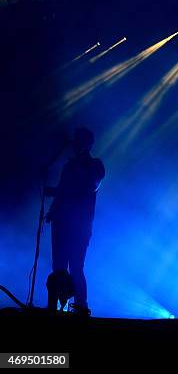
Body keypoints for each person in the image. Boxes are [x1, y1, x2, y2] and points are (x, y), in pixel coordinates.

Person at [45, 127, 105, 315]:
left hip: (79, 225)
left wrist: (57, 192)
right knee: (59, 266)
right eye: (76, 141)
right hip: (61, 223)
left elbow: (87, 188)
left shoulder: (95, 165)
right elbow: (64, 189)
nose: (76, 144)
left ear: (89, 143)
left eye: (81, 141)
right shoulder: (69, 165)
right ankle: (58, 308)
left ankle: (80, 307)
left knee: (76, 266)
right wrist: (53, 209)